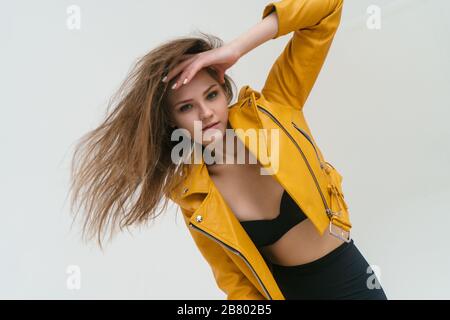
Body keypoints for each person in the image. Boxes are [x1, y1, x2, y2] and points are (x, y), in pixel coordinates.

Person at [69, 0, 387, 300]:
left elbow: (327, 9)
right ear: (171, 122)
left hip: (349, 279)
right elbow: (235, 283)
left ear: (224, 88)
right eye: (186, 107)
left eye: (211, 95)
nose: (206, 113)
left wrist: (235, 48)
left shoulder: (276, 106)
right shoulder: (193, 194)